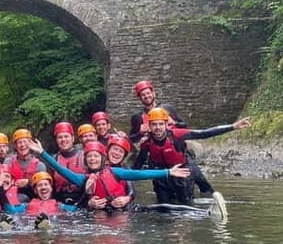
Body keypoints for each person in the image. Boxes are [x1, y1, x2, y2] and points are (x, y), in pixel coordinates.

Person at [27, 138, 190, 212]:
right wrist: (42, 153)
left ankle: (200, 212)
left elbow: (141, 174)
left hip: (124, 210)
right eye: (89, 156)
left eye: (95, 156)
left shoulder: (115, 172)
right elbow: (60, 169)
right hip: (100, 214)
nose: (92, 159)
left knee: (161, 208)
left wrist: (167, 172)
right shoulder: (83, 178)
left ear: (102, 158)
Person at [132, 107, 251, 207]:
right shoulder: (147, 143)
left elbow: (204, 133)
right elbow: (138, 165)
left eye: (160, 124)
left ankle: (186, 226)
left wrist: (233, 126)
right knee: (164, 206)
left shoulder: (177, 135)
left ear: (166, 125)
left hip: (182, 175)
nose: (157, 128)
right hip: (162, 178)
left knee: (186, 204)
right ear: (150, 126)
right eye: (154, 124)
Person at [128, 80, 213, 196]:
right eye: (143, 95)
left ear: (154, 93)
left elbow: (184, 126)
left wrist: (175, 123)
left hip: (178, 152)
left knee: (201, 180)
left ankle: (210, 199)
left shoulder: (168, 109)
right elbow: (132, 138)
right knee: (163, 192)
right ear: (140, 98)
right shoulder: (137, 117)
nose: (146, 96)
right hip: (157, 159)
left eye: (148, 93)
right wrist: (139, 132)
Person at [50, 121, 85, 205]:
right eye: (60, 137)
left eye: (66, 136)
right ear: (56, 140)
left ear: (73, 138)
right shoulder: (53, 160)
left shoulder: (84, 156)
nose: (63, 140)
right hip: (61, 201)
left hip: (81, 200)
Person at [8, 128, 47, 199]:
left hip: (33, 199)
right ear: (15, 146)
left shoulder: (40, 166)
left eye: (25, 142)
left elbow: (44, 188)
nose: (22, 145)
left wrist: (29, 182)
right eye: (19, 142)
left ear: (30, 144)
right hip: (12, 198)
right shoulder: (8, 162)